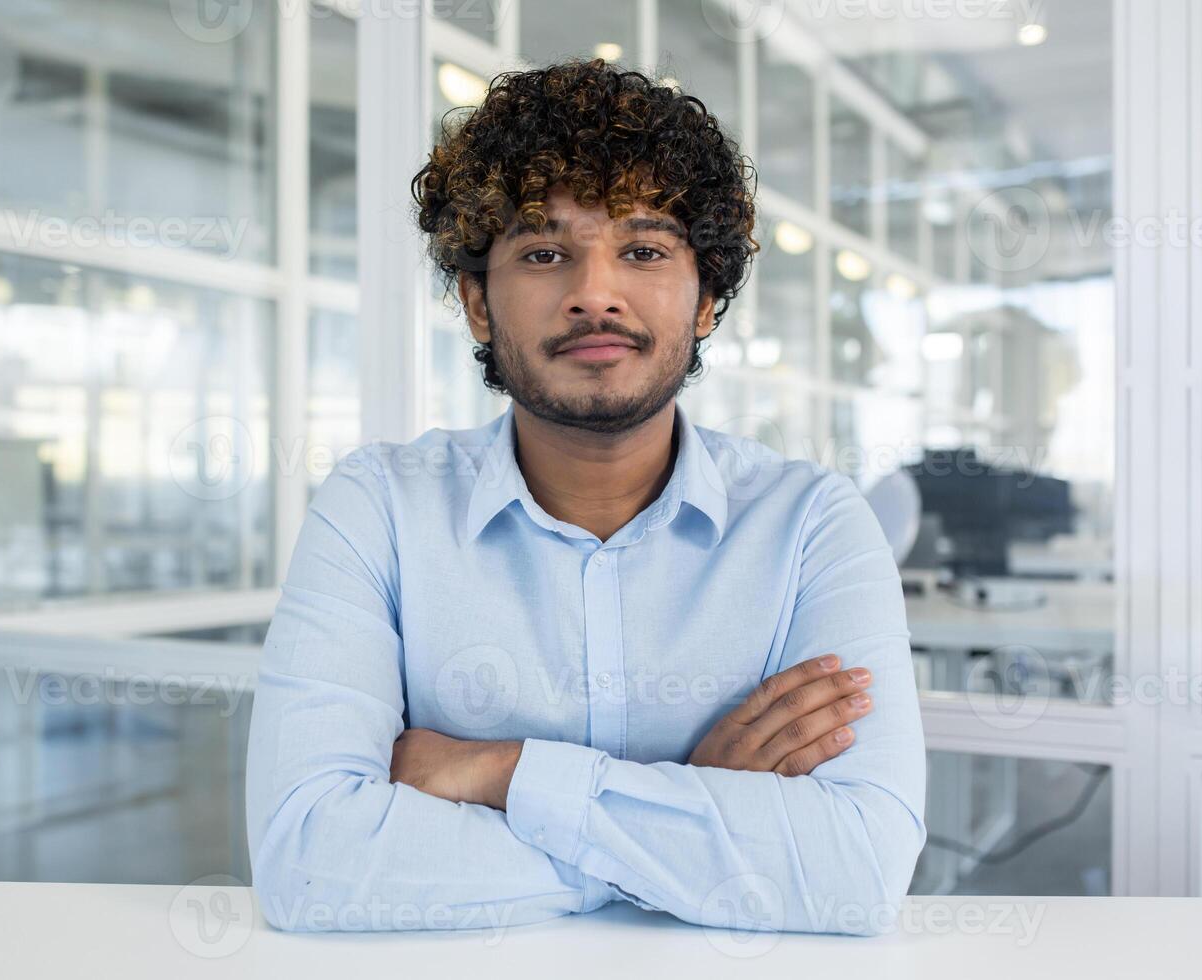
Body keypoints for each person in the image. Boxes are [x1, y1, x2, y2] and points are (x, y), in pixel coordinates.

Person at [245, 57, 926, 936]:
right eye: (543, 252)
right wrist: (699, 808)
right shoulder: (378, 508)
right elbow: (309, 859)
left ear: (708, 297)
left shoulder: (812, 525)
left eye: (643, 250)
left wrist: (503, 773)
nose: (594, 294)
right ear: (478, 303)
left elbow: (858, 870)